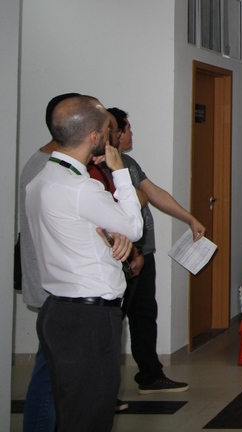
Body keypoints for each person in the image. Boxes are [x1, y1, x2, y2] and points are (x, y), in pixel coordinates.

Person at [25, 95, 142, 432]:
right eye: (108, 131)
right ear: (94, 138)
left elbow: (73, 234)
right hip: (88, 318)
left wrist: (109, 236)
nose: (111, 138)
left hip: (58, 311)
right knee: (90, 417)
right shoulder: (81, 188)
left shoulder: (41, 180)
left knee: (70, 411)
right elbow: (133, 227)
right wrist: (120, 174)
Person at [109, 108, 204, 394]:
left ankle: (150, 375)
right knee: (113, 321)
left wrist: (189, 218)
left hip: (143, 252)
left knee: (144, 316)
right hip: (120, 255)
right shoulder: (100, 166)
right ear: (113, 132)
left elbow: (154, 193)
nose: (131, 133)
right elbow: (121, 208)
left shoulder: (129, 163)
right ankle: (105, 389)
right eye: (127, 128)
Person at [18, 93, 80, 431]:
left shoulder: (59, 167)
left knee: (57, 371)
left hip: (58, 286)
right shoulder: (45, 169)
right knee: (49, 373)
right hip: (52, 287)